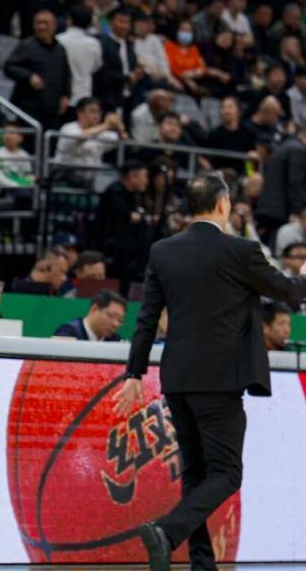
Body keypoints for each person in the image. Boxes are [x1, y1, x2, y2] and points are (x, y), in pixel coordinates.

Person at [118, 173, 306, 571]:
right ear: (223, 204)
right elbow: (288, 292)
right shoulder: (241, 250)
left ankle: (201, 562)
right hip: (220, 380)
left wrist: (134, 374)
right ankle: (167, 531)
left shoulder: (163, 251)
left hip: (177, 378)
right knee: (227, 473)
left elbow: (146, 319)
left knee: (196, 474)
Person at [4, 9, 71, 132]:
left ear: (54, 26)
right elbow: (9, 66)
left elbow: (66, 75)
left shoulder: (60, 49)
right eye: (38, 23)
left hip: (52, 108)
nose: (41, 27)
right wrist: (29, 76)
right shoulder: (27, 45)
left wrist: (66, 95)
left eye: (45, 23)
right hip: (29, 107)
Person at [96, 160, 151, 291]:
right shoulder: (115, 192)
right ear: (133, 176)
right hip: (114, 255)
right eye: (145, 176)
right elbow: (122, 218)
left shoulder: (132, 195)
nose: (147, 181)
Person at [255, 127, 306, 246]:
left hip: (270, 208)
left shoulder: (286, 145)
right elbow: (295, 183)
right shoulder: (298, 150)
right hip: (281, 211)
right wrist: (297, 211)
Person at [94, 7, 142, 116]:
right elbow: (103, 73)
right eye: (121, 21)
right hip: (107, 97)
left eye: (127, 22)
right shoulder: (103, 44)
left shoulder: (128, 45)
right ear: (111, 22)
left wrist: (136, 74)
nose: (125, 26)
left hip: (127, 96)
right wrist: (127, 78)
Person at [54, 96, 124, 169]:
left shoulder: (102, 131)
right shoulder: (68, 128)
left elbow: (123, 140)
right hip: (65, 173)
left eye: (98, 112)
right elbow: (79, 136)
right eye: (92, 111)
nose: (96, 115)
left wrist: (119, 127)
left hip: (93, 174)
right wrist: (107, 125)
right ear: (80, 113)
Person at [56, 5, 102, 107]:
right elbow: (96, 66)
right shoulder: (94, 43)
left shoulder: (58, 40)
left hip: (62, 96)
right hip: (84, 94)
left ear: (69, 20)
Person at [53, 289, 126, 341]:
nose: (115, 324)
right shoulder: (67, 332)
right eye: (111, 316)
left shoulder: (115, 340)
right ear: (94, 309)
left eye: (120, 320)